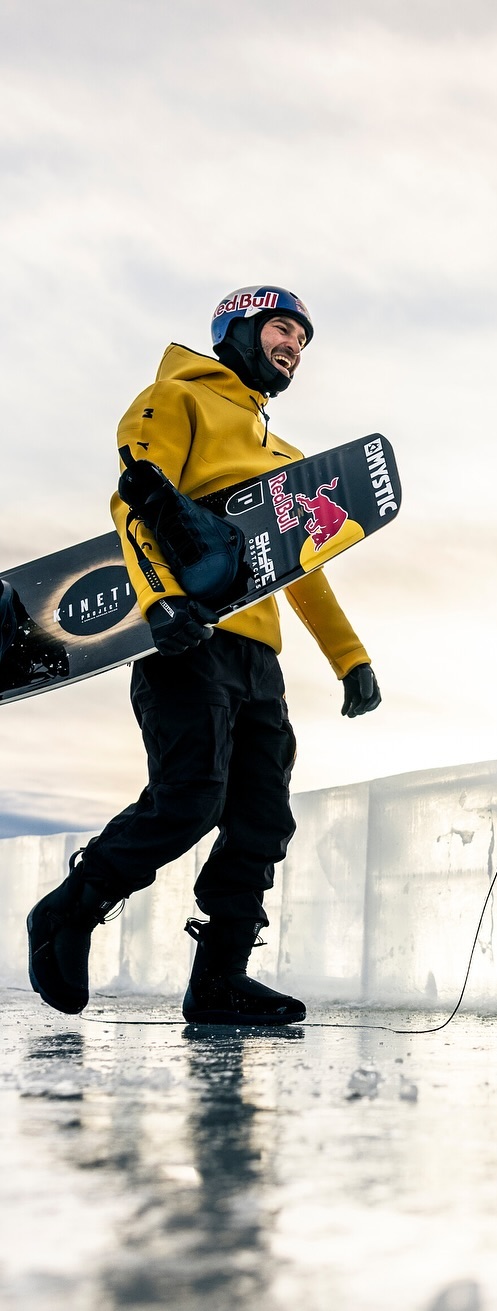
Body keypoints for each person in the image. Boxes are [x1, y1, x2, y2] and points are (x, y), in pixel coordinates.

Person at [27, 286, 382, 1026]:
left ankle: (219, 979)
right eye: (282, 329)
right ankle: (69, 910)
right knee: (191, 796)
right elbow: (136, 504)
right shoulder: (175, 397)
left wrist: (349, 658)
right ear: (239, 330)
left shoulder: (285, 456)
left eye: (302, 340)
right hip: (183, 638)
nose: (293, 346)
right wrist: (160, 603)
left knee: (259, 817)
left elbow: (304, 565)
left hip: (260, 659)